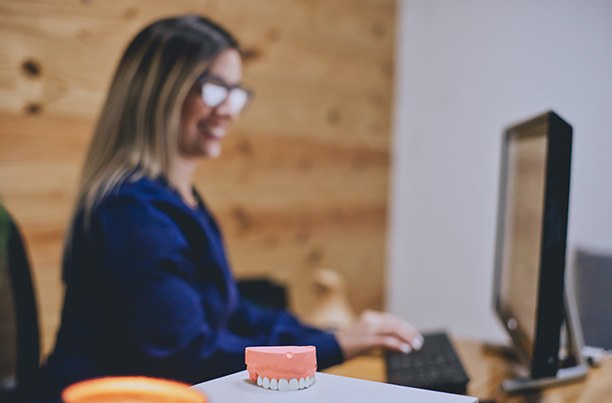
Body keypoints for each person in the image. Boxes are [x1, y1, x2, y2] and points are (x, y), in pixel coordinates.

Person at [34, 14, 423, 399]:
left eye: (235, 92)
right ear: (160, 92)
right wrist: (334, 348)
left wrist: (327, 339)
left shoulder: (177, 201)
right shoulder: (134, 214)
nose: (229, 110)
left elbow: (232, 313)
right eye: (214, 89)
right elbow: (189, 356)